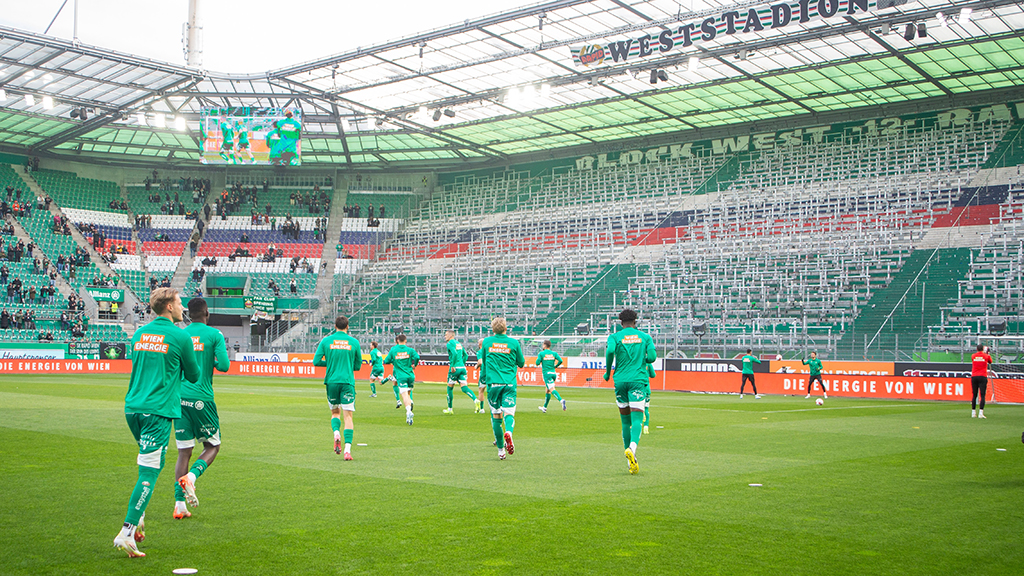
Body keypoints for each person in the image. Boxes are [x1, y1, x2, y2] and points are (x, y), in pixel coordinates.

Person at [113, 288, 200, 557]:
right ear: (169, 307)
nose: (183, 306)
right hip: (158, 411)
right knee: (149, 472)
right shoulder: (180, 335)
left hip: (133, 409)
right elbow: (194, 375)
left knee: (151, 463)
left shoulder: (139, 333)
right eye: (179, 302)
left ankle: (138, 519)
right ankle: (126, 533)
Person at [173, 298, 230, 519]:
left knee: (184, 451)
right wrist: (210, 361)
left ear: (188, 313)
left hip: (179, 399)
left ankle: (180, 505)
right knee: (213, 445)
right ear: (207, 313)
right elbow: (224, 365)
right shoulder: (214, 335)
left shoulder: (180, 334)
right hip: (201, 398)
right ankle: (193, 478)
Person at [603, 309, 656, 475]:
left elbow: (610, 351)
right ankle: (632, 449)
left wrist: (607, 371)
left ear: (620, 323)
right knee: (637, 419)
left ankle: (629, 463)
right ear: (636, 321)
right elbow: (652, 358)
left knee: (625, 422)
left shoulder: (615, 337)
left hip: (620, 380)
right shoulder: (645, 337)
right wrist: (642, 359)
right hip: (638, 381)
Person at [313, 316, 362, 459]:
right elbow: (358, 366)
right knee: (348, 416)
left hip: (332, 381)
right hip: (347, 382)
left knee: (335, 413)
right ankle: (347, 450)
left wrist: (331, 364)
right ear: (347, 327)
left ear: (335, 326)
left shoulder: (326, 341)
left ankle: (336, 434)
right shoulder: (354, 342)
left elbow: (316, 361)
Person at [480, 318, 525, 460]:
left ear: (493, 330)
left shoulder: (486, 342)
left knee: (496, 417)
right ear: (506, 328)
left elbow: (484, 363)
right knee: (509, 413)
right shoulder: (514, 343)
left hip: (493, 384)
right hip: (509, 384)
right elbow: (522, 363)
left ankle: (500, 451)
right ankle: (509, 433)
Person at [382, 334, 419, 425]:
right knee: (409, 393)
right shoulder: (410, 350)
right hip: (410, 375)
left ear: (397, 341)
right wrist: (415, 365)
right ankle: (409, 408)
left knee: (404, 394)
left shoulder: (394, 350)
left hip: (401, 376)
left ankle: (408, 412)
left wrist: (393, 361)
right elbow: (417, 357)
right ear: (406, 340)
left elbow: (386, 361)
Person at [442, 330, 476, 414]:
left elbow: (453, 353)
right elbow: (466, 355)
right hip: (462, 368)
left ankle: (450, 409)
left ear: (450, 336)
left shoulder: (449, 343)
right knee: (464, 387)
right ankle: (476, 400)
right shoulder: (459, 344)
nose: (445, 336)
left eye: (446, 335)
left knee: (449, 388)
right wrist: (462, 364)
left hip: (455, 368)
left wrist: (453, 365)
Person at [535, 340, 565, 413]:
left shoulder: (541, 353)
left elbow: (537, 363)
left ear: (545, 345)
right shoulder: (554, 353)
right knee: (547, 390)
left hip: (547, 374)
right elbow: (560, 360)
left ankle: (561, 400)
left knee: (551, 389)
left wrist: (541, 360)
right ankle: (544, 407)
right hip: (553, 373)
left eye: (543, 345)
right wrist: (555, 366)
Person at [971, 344, 993, 418]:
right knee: (982, 395)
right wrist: (987, 353)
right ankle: (981, 413)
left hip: (974, 376)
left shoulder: (973, 356)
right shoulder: (986, 356)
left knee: (974, 395)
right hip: (982, 376)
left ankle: (973, 412)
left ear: (977, 349)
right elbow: (990, 361)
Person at [475, 338, 487, 413]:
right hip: (493, 372)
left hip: (484, 372)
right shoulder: (489, 351)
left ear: (479, 344)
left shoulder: (480, 352)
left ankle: (482, 408)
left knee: (481, 390)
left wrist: (476, 366)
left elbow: (480, 361)